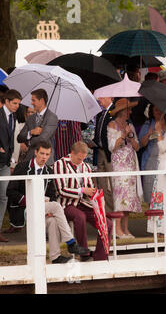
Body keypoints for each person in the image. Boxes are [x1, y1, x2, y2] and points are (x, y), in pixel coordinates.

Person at [6, 141, 90, 263]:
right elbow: (10, 191)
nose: (44, 157)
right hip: (24, 208)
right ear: (35, 153)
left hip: (43, 209)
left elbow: (51, 195)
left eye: (47, 154)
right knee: (56, 207)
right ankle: (71, 242)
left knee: (53, 220)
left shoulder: (49, 171)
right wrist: (30, 200)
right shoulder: (22, 167)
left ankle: (55, 257)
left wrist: (46, 206)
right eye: (42, 153)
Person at [54, 141, 113, 261]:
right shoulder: (59, 164)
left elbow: (89, 187)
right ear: (72, 153)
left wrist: (96, 197)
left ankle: (100, 256)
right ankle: (84, 253)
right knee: (80, 216)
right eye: (79, 159)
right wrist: (81, 191)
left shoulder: (86, 167)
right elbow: (61, 190)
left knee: (107, 223)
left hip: (83, 203)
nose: (81, 161)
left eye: (83, 159)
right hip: (66, 204)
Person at [107, 98, 143, 239]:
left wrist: (130, 135)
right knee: (120, 197)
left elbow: (137, 146)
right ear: (122, 112)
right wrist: (122, 136)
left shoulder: (130, 126)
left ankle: (126, 229)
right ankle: (117, 229)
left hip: (130, 165)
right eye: (128, 110)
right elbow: (112, 147)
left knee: (129, 198)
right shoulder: (112, 125)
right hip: (119, 166)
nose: (130, 112)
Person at [0, 89, 22, 242]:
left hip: (6, 162)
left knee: (3, 197)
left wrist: (12, 157)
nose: (17, 106)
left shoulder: (13, 117)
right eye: (14, 103)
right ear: (6, 101)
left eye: (18, 104)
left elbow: (11, 140)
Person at [17, 89, 58, 165]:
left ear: (42, 100)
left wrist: (29, 142)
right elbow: (19, 138)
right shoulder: (31, 118)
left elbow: (43, 139)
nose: (32, 103)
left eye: (34, 100)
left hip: (45, 162)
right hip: (29, 160)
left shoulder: (52, 117)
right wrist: (31, 132)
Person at [139, 104, 166, 205]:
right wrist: (149, 133)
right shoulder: (148, 124)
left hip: (165, 160)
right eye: (156, 110)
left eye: (160, 110)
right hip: (151, 161)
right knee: (150, 188)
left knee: (165, 189)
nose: (158, 112)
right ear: (152, 111)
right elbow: (141, 144)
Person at [93, 96, 115, 213]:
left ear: (109, 97)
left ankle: (112, 211)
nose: (99, 100)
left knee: (111, 183)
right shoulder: (101, 113)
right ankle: (105, 210)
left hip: (109, 153)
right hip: (99, 150)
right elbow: (99, 131)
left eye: (102, 97)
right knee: (102, 183)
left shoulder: (114, 111)